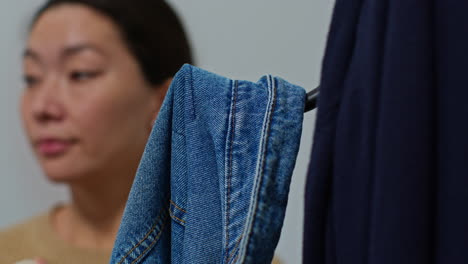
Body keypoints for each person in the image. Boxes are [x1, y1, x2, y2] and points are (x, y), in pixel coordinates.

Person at [0, 0, 192, 263]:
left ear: (163, 101)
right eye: (31, 78)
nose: (42, 107)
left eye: (80, 74)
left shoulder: (232, 257)